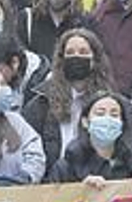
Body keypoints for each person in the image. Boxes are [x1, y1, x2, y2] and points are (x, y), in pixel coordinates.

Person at [21, 28, 115, 176]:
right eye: (70, 53)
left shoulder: (111, 101)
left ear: (95, 60)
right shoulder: (41, 103)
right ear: (61, 59)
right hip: (53, 183)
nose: (76, 57)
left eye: (83, 52)